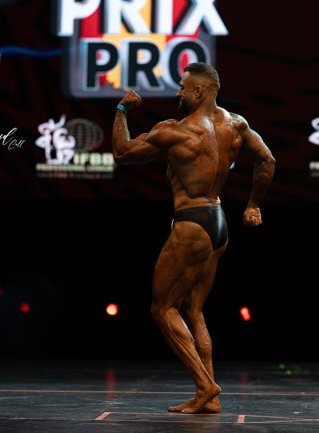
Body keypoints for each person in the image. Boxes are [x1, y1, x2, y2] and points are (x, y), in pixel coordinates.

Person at [112, 63, 275, 414]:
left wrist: (123, 109)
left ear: (198, 91)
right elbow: (267, 160)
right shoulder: (236, 124)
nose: (178, 93)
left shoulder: (175, 131)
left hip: (191, 225)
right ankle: (210, 399)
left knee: (161, 309)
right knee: (193, 309)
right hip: (219, 224)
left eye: (182, 88)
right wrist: (253, 205)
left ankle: (205, 385)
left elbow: (122, 153)